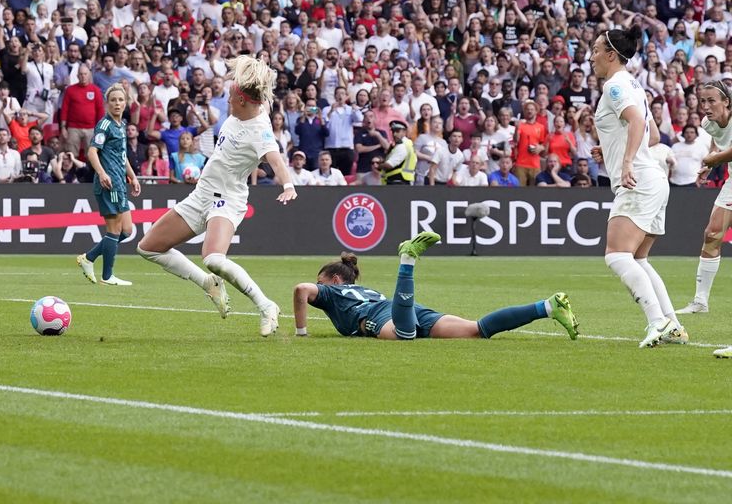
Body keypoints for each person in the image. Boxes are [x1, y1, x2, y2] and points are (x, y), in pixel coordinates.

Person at [137, 56, 297, 336]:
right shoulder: (242, 109)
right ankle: (209, 284)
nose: (227, 102)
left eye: (232, 99)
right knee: (148, 247)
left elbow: (277, 161)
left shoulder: (260, 130)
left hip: (228, 199)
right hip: (201, 194)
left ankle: (266, 305)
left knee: (212, 258)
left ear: (245, 102)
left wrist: (288, 186)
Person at [291, 232, 579, 341]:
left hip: (382, 316)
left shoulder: (333, 292)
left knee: (405, 335)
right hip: (400, 307)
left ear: (336, 280)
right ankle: (548, 306)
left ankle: (407, 260)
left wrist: (301, 332)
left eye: (322, 280)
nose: (319, 286)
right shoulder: (364, 290)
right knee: (477, 330)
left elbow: (301, 290)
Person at [589, 27, 687, 347]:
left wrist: (626, 161)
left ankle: (656, 321)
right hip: (655, 179)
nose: (591, 57)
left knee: (617, 256)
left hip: (639, 179)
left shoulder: (615, 86)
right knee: (640, 259)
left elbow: (636, 123)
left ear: (611, 55)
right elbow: (653, 136)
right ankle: (672, 324)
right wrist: (612, 149)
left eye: (595, 50)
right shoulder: (634, 85)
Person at [77, 84, 141, 286]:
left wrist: (133, 176)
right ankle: (107, 276)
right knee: (113, 231)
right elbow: (92, 152)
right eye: (113, 100)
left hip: (120, 183)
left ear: (126, 103)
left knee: (127, 231)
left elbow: (122, 157)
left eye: (120, 100)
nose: (117, 103)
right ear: (107, 103)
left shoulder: (121, 125)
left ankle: (88, 257)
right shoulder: (104, 125)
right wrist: (102, 173)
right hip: (109, 185)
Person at [677, 81, 732, 316]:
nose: (706, 106)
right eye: (703, 101)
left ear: (726, 102)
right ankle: (700, 302)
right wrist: (710, 162)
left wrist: (715, 159)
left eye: (712, 101)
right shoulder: (707, 123)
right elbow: (718, 141)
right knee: (712, 234)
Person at [380, 120, 415, 184]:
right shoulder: (405, 144)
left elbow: (389, 165)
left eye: (397, 131)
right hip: (399, 181)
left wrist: (378, 166)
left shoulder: (402, 146)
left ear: (404, 132)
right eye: (393, 131)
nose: (394, 134)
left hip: (397, 181)